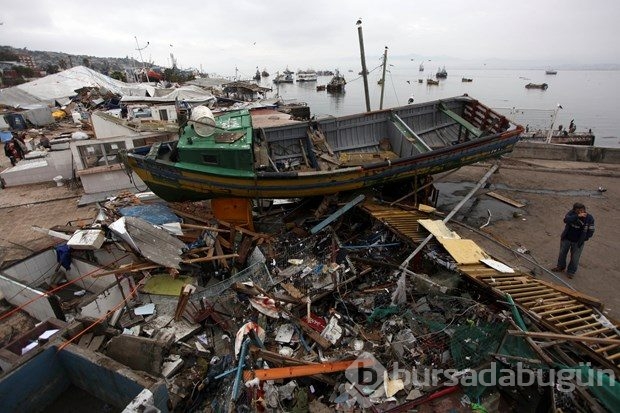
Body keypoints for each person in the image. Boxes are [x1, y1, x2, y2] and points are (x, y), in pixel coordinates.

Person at [552, 202, 595, 278]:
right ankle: (560, 267)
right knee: (562, 254)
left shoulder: (589, 218)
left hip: (578, 242)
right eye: (578, 211)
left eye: (582, 210)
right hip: (566, 239)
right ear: (574, 210)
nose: (581, 212)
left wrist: (584, 238)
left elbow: (591, 231)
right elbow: (566, 220)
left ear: (584, 210)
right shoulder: (571, 214)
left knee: (575, 258)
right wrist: (577, 216)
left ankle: (571, 272)